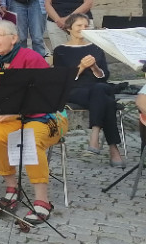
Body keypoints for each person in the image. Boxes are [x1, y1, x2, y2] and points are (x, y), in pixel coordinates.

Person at [0, 19, 67, 225]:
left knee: (28, 138)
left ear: (14, 38)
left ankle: (42, 200)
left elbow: (46, 96)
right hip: (14, 117)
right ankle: (12, 187)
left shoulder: (32, 58)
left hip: (46, 115)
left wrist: (12, 114)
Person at [52, 14, 123, 166]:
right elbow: (60, 79)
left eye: (86, 26)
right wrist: (82, 67)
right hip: (75, 90)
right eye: (79, 26)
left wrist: (94, 67)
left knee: (100, 89)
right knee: (107, 100)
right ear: (69, 28)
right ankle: (113, 149)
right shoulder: (60, 50)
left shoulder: (96, 47)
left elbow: (105, 76)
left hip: (97, 87)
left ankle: (95, 134)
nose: (83, 29)